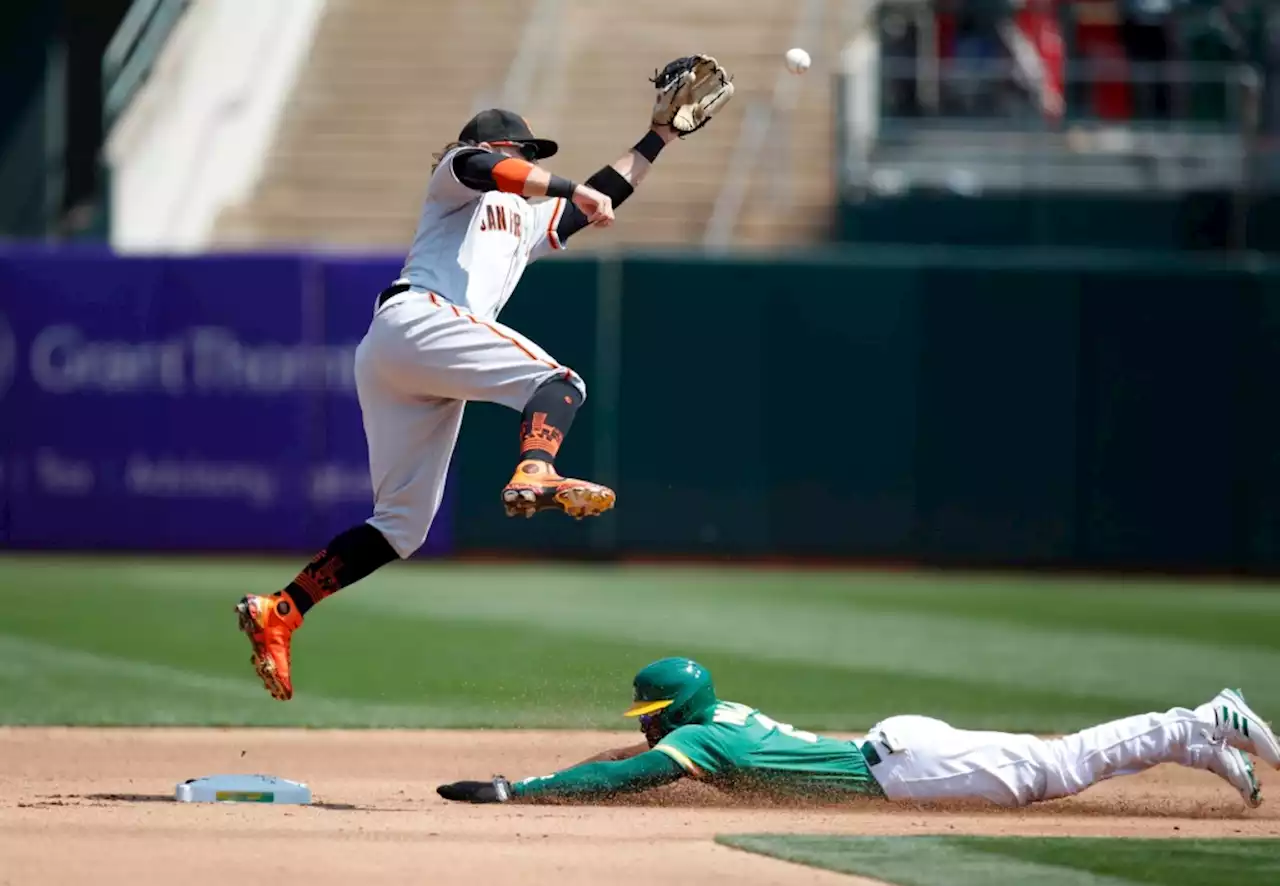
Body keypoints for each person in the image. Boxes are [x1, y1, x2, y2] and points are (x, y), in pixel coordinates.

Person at [232, 58, 735, 701]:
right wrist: (562, 182)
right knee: (560, 383)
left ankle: (282, 610)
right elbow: (486, 168)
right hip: (419, 321)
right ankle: (535, 469)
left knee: (400, 526)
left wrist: (659, 137)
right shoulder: (458, 178)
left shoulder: (524, 221)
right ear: (502, 148)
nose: (529, 160)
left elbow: (603, 191)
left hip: (408, 355)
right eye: (525, 152)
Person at [436, 657, 1275, 808]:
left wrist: (523, 790)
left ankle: (1197, 720)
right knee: (1056, 768)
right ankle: (1198, 746)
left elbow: (633, 775)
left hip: (908, 768)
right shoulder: (715, 720)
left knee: (1058, 768)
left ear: (671, 711)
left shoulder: (706, 745)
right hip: (899, 751)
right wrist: (553, 775)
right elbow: (634, 759)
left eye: (650, 713)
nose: (646, 725)